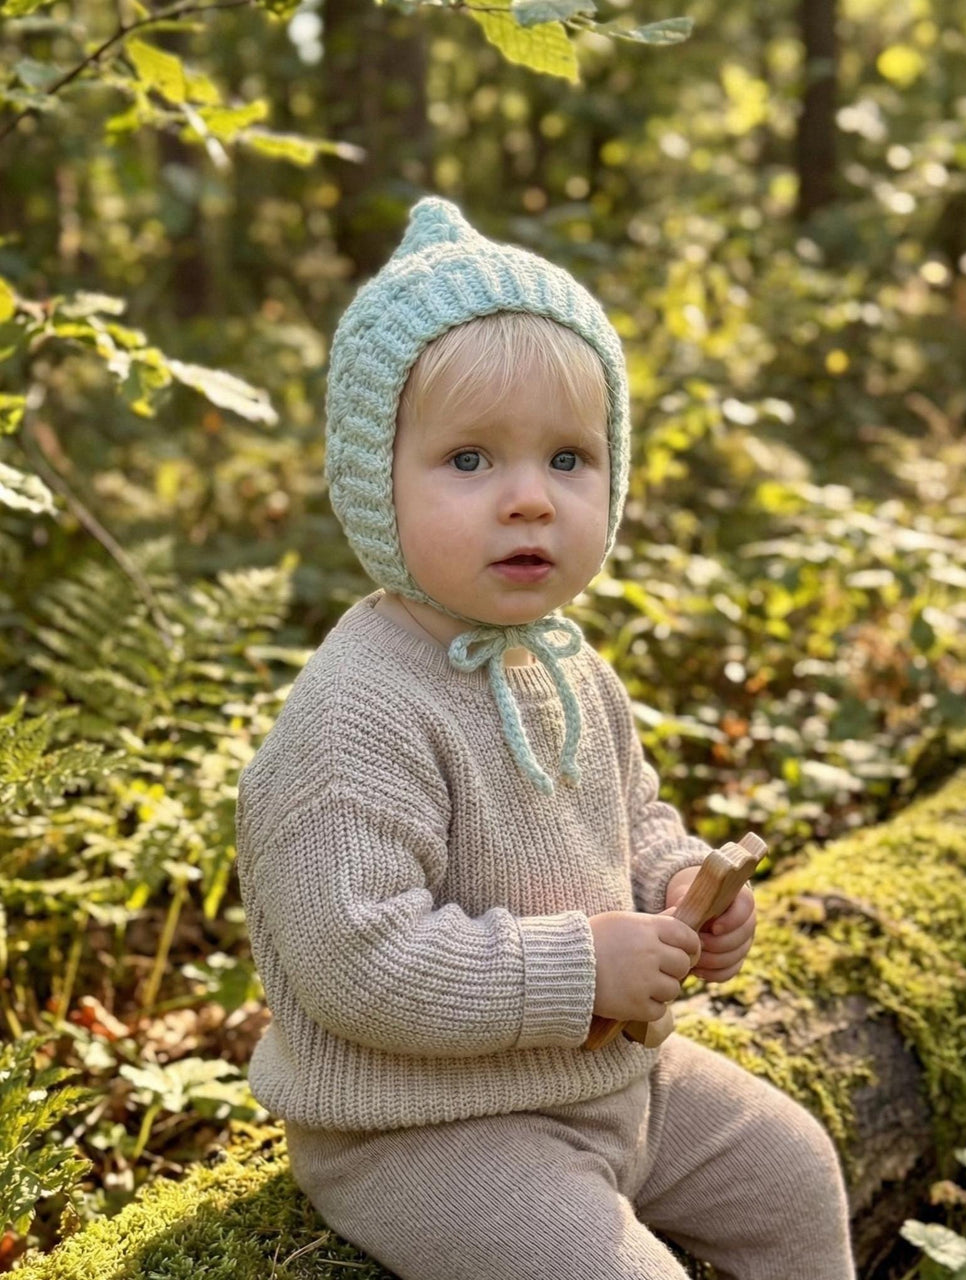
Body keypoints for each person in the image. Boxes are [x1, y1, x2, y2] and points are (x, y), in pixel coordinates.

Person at [234, 196, 856, 1280]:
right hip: (428, 1131)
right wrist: (579, 968)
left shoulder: (569, 667)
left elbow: (633, 817)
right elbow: (356, 960)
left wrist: (676, 887)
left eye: (567, 458)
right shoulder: (358, 708)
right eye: (470, 460)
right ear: (375, 475)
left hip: (610, 1083)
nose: (528, 499)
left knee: (794, 1168)